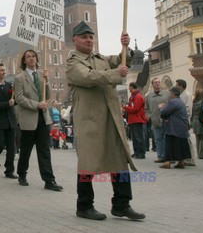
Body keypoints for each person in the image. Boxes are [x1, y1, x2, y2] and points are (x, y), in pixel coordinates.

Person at [66, 21, 145, 221]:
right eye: (84, 37)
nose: (89, 40)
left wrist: (125, 47)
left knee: (119, 160)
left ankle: (122, 204)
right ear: (74, 40)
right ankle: (84, 206)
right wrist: (115, 74)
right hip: (90, 121)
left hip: (111, 118)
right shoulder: (73, 62)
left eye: (91, 37)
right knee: (87, 163)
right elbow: (88, 77)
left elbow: (120, 60)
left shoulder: (100, 57)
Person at [15, 49, 62, 192]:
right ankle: (22, 174)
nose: (31, 59)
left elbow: (47, 95)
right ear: (24, 60)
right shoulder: (19, 78)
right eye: (28, 57)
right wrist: (36, 105)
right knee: (26, 150)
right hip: (29, 118)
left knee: (44, 150)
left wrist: (46, 81)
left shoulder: (42, 75)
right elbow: (19, 98)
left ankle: (49, 180)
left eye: (33, 56)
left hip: (43, 118)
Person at [159, 86, 191, 169]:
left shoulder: (173, 102)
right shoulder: (180, 101)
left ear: (172, 94)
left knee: (170, 144)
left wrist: (161, 108)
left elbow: (165, 112)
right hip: (181, 127)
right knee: (180, 145)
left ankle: (167, 162)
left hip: (174, 128)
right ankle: (181, 162)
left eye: (170, 93)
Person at [145, 78, 170, 162]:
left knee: (167, 139)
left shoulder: (167, 94)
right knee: (158, 139)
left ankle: (168, 156)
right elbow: (146, 108)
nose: (157, 84)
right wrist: (148, 116)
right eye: (155, 82)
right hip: (155, 120)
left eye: (159, 82)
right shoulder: (149, 96)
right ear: (152, 84)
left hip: (166, 120)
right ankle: (160, 156)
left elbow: (171, 104)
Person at [122, 82, 147, 159]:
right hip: (132, 119)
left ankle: (141, 153)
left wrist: (125, 107)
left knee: (138, 137)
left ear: (132, 87)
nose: (128, 89)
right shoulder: (133, 97)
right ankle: (136, 152)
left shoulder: (138, 97)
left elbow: (136, 109)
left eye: (129, 87)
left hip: (137, 119)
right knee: (134, 138)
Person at [176, 79, 196, 166]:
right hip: (180, 119)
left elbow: (187, 109)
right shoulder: (181, 95)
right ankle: (186, 158)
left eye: (176, 85)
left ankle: (190, 159)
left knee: (187, 140)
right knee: (184, 140)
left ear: (181, 86)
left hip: (184, 120)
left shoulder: (187, 95)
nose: (175, 86)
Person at [192, 89, 203, 159]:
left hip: (195, 121)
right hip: (202, 120)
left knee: (197, 137)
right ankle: (202, 154)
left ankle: (199, 153)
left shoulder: (194, 102)